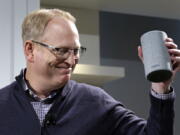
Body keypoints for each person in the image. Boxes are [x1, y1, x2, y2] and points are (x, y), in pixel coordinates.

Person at [0, 8, 179, 135]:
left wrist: (161, 85)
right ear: (30, 50)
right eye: (61, 50)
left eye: (76, 51)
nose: (71, 61)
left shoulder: (96, 102)